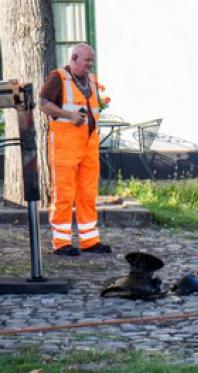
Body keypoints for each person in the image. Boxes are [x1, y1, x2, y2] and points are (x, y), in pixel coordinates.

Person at [39, 43, 112, 256]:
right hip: (65, 145)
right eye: (87, 60)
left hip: (89, 144)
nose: (90, 65)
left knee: (88, 192)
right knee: (63, 193)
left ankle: (90, 240)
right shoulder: (57, 77)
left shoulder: (90, 80)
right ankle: (61, 242)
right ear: (74, 57)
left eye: (92, 61)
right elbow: (43, 104)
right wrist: (69, 115)